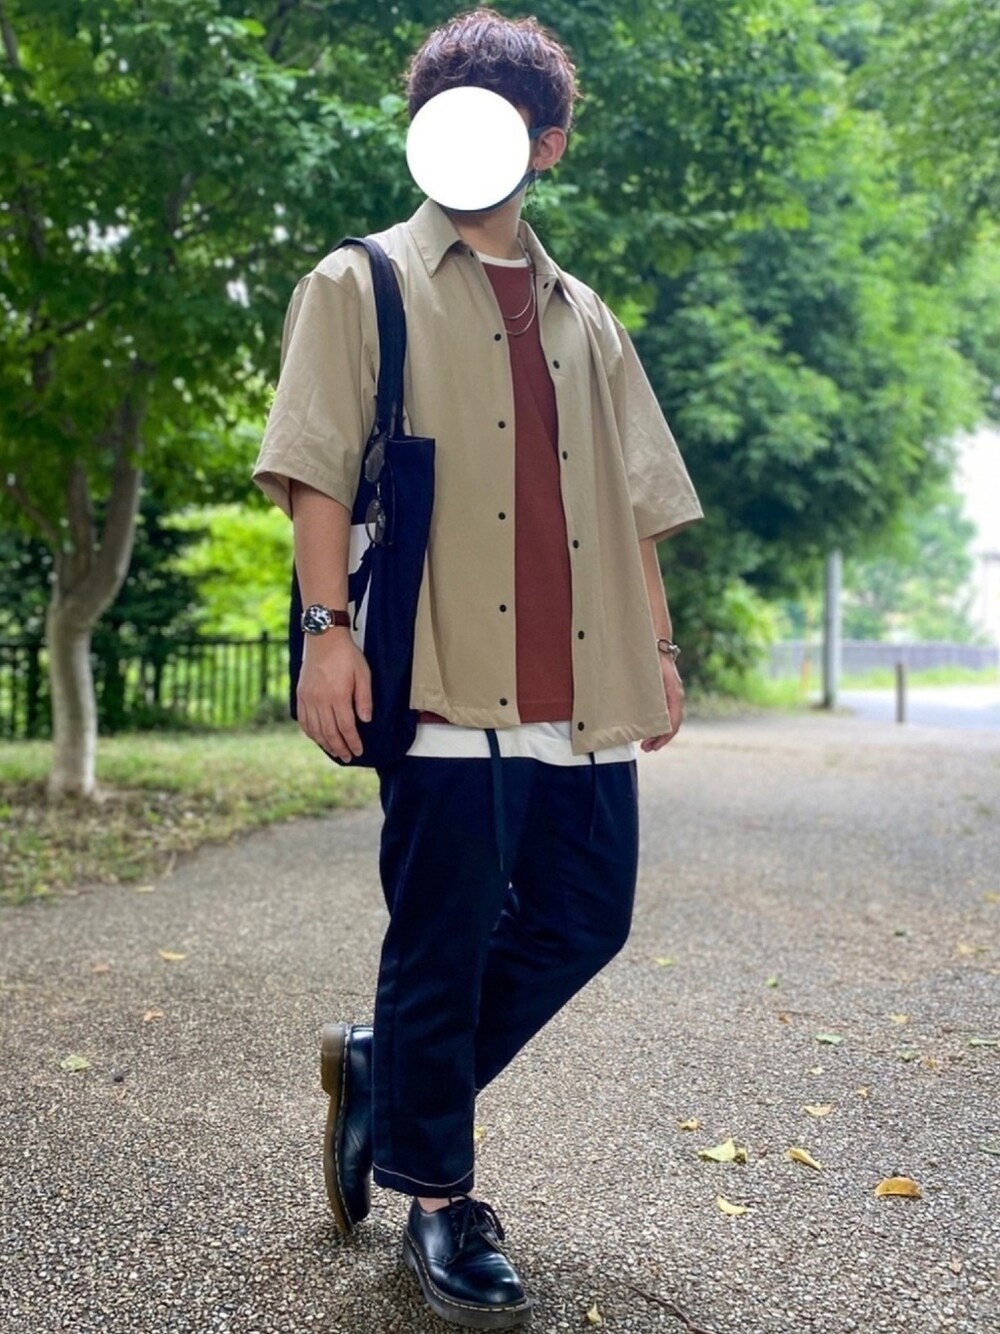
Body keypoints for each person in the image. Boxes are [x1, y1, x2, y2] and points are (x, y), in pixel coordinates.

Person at [251, 9, 702, 1328]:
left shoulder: (586, 316)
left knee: (585, 916)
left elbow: (636, 500)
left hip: (582, 677)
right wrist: (325, 634)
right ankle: (439, 1201)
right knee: (441, 939)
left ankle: (386, 1070)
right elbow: (316, 471)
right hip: (441, 666)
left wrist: (659, 647)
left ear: (545, 146)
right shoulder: (361, 284)